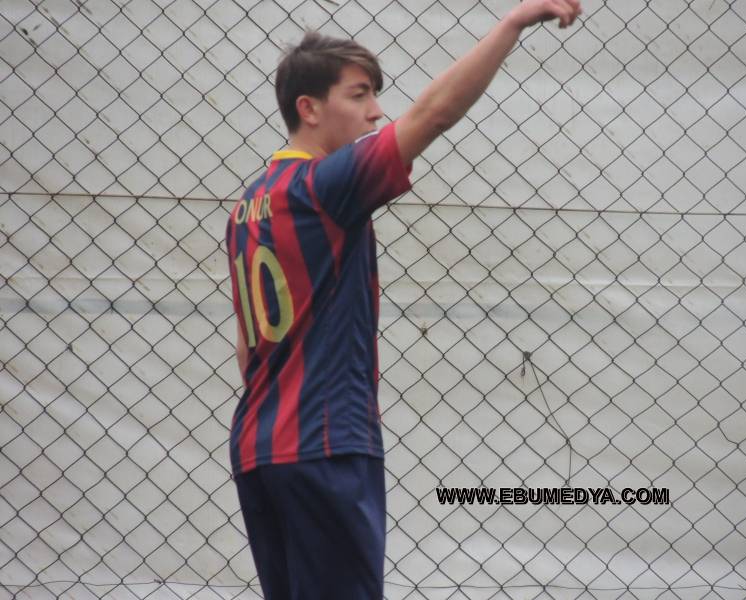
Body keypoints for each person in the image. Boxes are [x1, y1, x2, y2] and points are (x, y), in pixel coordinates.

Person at [225, 1, 582, 598]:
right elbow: (433, 114)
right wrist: (511, 25)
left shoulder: (247, 205)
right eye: (359, 95)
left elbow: (246, 347)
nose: (376, 111)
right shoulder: (325, 184)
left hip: (258, 447)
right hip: (325, 443)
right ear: (308, 109)